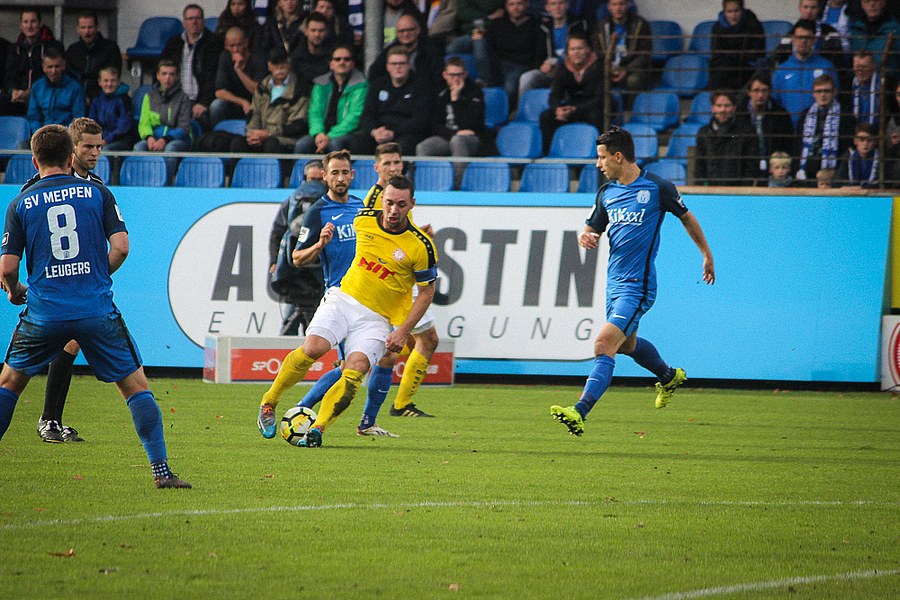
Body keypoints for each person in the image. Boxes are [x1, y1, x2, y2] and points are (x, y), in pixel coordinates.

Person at [0, 124, 191, 489]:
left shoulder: (21, 202)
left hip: (44, 312)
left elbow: (7, 268)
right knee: (135, 387)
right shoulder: (96, 192)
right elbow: (121, 247)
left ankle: (48, 419)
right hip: (95, 309)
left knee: (9, 383)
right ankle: (161, 471)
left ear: (35, 160)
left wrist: (15, 290)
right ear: (70, 156)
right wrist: (93, 276)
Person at [550, 125, 715, 437]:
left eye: (601, 157)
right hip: (613, 284)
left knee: (604, 344)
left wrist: (706, 255)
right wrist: (586, 236)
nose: (598, 164)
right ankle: (668, 376)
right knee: (627, 345)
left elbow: (686, 217)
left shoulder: (657, 187)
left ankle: (580, 411)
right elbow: (592, 228)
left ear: (618, 156)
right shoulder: (607, 193)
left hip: (638, 286)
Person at [257, 169, 437, 448]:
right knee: (313, 348)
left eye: (401, 204)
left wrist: (403, 331)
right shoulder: (363, 220)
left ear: (411, 204)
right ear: (382, 200)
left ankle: (318, 429)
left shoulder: (421, 246)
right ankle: (269, 402)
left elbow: (426, 293)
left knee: (355, 370)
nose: (393, 210)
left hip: (378, 318)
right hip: (343, 299)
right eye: (389, 202)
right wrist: (320, 242)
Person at [19, 117, 105, 443]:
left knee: (71, 342)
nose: (95, 153)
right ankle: (48, 419)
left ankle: (51, 419)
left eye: (99, 147)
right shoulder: (39, 186)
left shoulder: (95, 186)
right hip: (49, 284)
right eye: (88, 146)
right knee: (29, 359)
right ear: (72, 149)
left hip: (81, 282)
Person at [269, 159, 327, 336]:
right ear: (304, 179)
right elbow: (277, 233)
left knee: (320, 327)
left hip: (321, 273)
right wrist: (274, 261)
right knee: (289, 323)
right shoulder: (291, 203)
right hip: (294, 272)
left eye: (319, 179)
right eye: (311, 179)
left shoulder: (331, 204)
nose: (315, 184)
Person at [416, 56, 486, 189]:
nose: (455, 79)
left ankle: (458, 187)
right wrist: (454, 133)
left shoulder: (475, 93)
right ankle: (426, 186)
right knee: (423, 147)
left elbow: (470, 124)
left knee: (458, 141)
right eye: (452, 75)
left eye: (459, 75)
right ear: (445, 75)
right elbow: (434, 125)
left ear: (465, 74)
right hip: (449, 136)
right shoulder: (440, 93)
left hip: (472, 139)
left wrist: (456, 100)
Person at [350, 47, 430, 156]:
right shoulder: (377, 85)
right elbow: (367, 114)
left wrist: (393, 133)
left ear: (408, 65)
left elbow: (419, 120)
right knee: (357, 142)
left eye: (402, 63)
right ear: (387, 66)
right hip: (379, 132)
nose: (398, 67)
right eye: (394, 64)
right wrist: (374, 131)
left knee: (403, 145)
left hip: (405, 133)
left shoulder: (421, 86)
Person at [230, 49, 309, 154]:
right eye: (275, 64)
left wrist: (269, 134)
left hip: (285, 139)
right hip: (261, 137)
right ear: (269, 66)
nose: (280, 67)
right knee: (238, 143)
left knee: (271, 144)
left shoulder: (299, 89)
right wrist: (253, 134)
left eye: (283, 63)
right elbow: (254, 114)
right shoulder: (262, 88)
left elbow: (297, 126)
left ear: (289, 64)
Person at [294, 45, 367, 154]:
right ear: (331, 64)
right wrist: (318, 134)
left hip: (348, 133)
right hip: (322, 133)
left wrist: (330, 136)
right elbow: (314, 112)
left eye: (346, 59)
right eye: (337, 59)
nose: (342, 62)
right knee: (302, 144)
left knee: (335, 144)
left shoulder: (361, 85)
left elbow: (355, 116)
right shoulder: (320, 84)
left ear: (352, 64)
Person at [161, 4, 224, 129]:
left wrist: (204, 103)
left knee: (200, 122)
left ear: (203, 22)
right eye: (190, 19)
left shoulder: (214, 43)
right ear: (184, 23)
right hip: (176, 98)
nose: (194, 22)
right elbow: (160, 70)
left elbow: (214, 78)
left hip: (199, 101)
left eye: (197, 18)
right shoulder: (174, 43)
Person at [538, 33, 602, 155]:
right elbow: (555, 94)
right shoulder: (563, 67)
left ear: (588, 50)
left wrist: (575, 109)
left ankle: (595, 155)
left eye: (580, 48)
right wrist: (557, 109)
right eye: (572, 49)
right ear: (567, 52)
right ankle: (548, 155)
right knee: (546, 116)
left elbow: (599, 98)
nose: (576, 52)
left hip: (592, 107)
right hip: (572, 106)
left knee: (596, 116)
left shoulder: (599, 67)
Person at [771, 19, 840, 125]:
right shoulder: (782, 70)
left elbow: (835, 97)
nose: (803, 41)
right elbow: (775, 102)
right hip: (790, 128)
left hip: (818, 128)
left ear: (814, 40)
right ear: (793, 39)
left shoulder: (826, 66)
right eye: (800, 37)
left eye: (807, 38)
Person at [518, 0, 589, 101]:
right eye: (553, 4)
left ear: (567, 5)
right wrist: (542, 65)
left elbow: (585, 52)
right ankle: (524, 108)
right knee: (527, 78)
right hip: (549, 72)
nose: (557, 7)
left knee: (562, 81)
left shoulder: (579, 25)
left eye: (561, 3)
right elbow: (536, 54)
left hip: (572, 71)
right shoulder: (542, 28)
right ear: (547, 7)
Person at [134, 59, 193, 177]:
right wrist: (149, 137)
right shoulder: (149, 97)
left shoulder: (184, 98)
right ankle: (142, 181)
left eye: (171, 74)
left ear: (176, 77)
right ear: (158, 76)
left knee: (170, 149)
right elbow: (144, 123)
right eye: (164, 74)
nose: (168, 78)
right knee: (138, 147)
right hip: (154, 138)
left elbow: (184, 127)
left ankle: (166, 182)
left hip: (178, 140)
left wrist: (165, 139)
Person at [484, 0, 546, 107]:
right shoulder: (496, 24)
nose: (515, 8)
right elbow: (490, 49)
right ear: (506, 6)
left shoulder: (536, 26)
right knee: (489, 87)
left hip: (522, 65)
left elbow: (539, 52)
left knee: (509, 89)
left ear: (526, 4)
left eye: (519, 4)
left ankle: (509, 113)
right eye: (511, 4)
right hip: (499, 64)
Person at [2, 9, 62, 117]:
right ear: (21, 25)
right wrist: (13, 91)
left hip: (44, 95)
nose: (29, 26)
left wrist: (30, 93)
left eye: (33, 22)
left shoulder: (52, 46)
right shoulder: (15, 48)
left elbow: (53, 74)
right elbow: (10, 74)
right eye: (25, 22)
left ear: (40, 24)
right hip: (18, 97)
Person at [796, 73, 855, 182]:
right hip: (807, 173)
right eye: (819, 91)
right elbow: (798, 144)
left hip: (834, 173)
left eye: (827, 91)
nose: (823, 95)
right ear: (813, 93)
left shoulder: (846, 116)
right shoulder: (805, 115)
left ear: (834, 92)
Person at [740, 73, 796, 181]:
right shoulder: (739, 114)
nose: (760, 95)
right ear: (749, 92)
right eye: (756, 90)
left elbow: (788, 146)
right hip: (747, 173)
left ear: (769, 92)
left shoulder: (781, 115)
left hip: (775, 174)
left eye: (764, 90)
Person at [695, 91, 758, 186]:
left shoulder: (747, 132)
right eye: (719, 106)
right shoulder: (703, 133)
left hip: (739, 190)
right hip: (711, 190)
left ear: (734, 108)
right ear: (712, 108)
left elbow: (751, 166)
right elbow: (700, 167)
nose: (722, 110)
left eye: (727, 106)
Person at [368, 14, 444, 93]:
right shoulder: (389, 51)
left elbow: (438, 79)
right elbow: (374, 74)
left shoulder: (431, 51)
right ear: (396, 33)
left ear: (418, 30)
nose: (405, 34)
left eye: (410, 30)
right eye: (401, 31)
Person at [594, 0, 652, 101]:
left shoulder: (640, 24)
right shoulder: (602, 26)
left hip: (632, 69)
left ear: (628, 5)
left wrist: (626, 69)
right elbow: (597, 52)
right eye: (614, 4)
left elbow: (644, 55)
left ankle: (631, 109)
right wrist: (608, 68)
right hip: (609, 68)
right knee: (595, 78)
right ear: (609, 7)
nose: (618, 8)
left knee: (633, 81)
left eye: (621, 4)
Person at [210, 26, 268, 126]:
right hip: (236, 103)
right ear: (226, 45)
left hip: (256, 103)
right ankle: (218, 132)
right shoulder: (225, 56)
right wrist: (242, 102)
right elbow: (219, 92)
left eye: (239, 45)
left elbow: (259, 92)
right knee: (216, 106)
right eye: (231, 46)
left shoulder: (258, 58)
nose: (236, 49)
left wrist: (239, 71)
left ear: (246, 42)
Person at [26, 47, 86, 136]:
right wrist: (40, 134)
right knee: (21, 144)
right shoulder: (37, 87)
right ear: (43, 68)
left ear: (63, 66)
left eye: (57, 66)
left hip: (67, 136)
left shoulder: (75, 88)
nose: (53, 71)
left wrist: (62, 135)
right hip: (42, 135)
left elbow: (78, 119)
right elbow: (33, 117)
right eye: (50, 67)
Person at [64, 11, 122, 102]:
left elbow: (114, 76)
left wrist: (94, 98)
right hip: (76, 97)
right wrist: (80, 96)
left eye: (90, 27)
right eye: (83, 28)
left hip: (102, 98)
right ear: (77, 29)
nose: (87, 32)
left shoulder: (110, 48)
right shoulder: (72, 50)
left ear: (97, 28)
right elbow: (68, 77)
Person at [848, 0, 900, 83]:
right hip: (860, 83)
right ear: (862, 4)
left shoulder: (896, 30)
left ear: (883, 2)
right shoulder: (855, 29)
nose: (872, 4)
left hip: (888, 83)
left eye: (876, 0)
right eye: (867, 1)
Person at [291, 12, 333, 88]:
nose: (317, 35)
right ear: (305, 31)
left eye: (321, 31)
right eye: (313, 30)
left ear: (326, 32)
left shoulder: (334, 57)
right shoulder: (296, 57)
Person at [836, 122, 880, 186]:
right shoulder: (848, 156)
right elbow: (838, 181)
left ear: (875, 142)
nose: (865, 144)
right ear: (855, 141)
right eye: (862, 140)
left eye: (869, 140)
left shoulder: (880, 157)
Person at [847, 50, 879, 129]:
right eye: (857, 67)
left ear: (873, 66)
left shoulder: (883, 84)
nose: (860, 71)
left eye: (864, 67)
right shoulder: (850, 84)